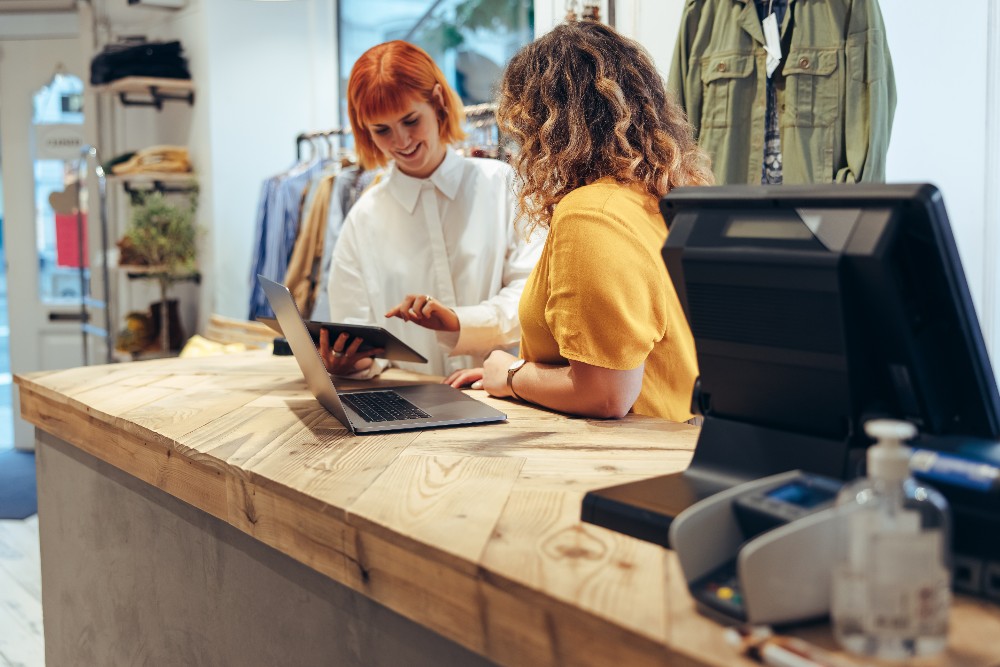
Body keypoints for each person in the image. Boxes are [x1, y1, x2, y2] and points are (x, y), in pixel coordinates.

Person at [475, 19, 714, 421]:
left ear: (546, 125)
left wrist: (511, 375)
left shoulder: (592, 214)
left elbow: (606, 394)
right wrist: (512, 381)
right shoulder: (661, 197)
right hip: (674, 443)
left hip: (628, 460)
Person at [319, 40, 543, 379]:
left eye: (410, 120)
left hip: (507, 398)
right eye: (382, 130)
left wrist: (458, 322)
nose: (401, 142)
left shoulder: (501, 185)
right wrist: (349, 361)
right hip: (407, 407)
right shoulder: (363, 219)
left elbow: (532, 294)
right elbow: (356, 331)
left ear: (437, 102)